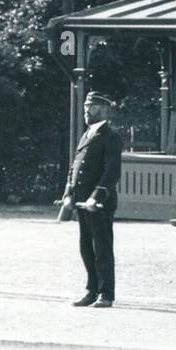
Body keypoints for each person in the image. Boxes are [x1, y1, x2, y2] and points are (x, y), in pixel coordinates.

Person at [62, 91, 123, 307]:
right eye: (86, 106)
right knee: (86, 247)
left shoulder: (111, 137)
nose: (87, 111)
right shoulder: (86, 134)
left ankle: (106, 294)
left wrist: (96, 196)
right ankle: (91, 290)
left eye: (93, 107)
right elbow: (75, 167)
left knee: (102, 248)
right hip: (81, 202)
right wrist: (68, 193)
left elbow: (111, 172)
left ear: (105, 110)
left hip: (98, 204)